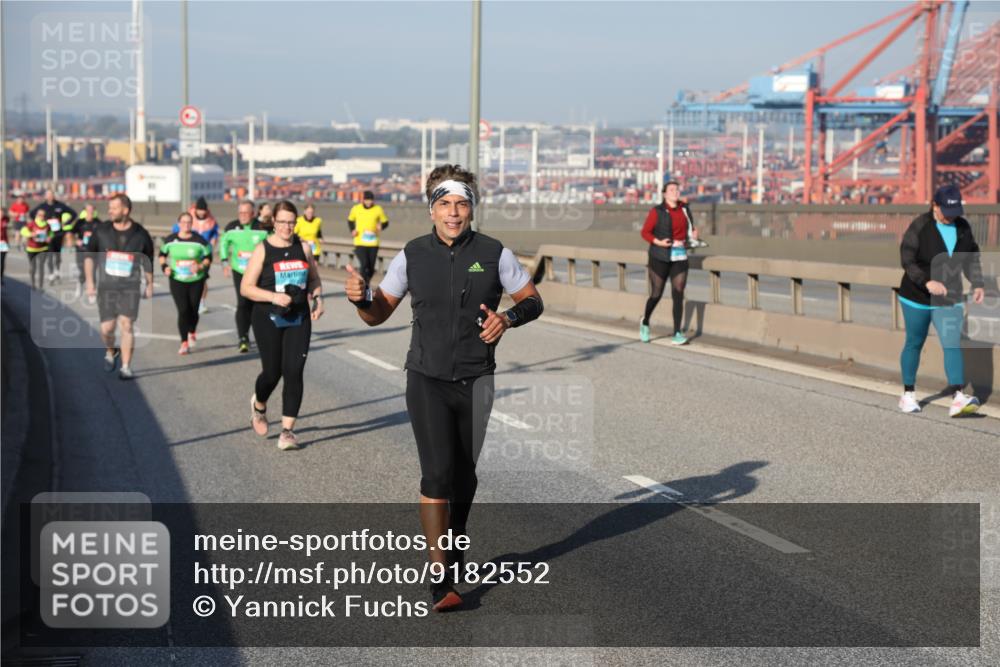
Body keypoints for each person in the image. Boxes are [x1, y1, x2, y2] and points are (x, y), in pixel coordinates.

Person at [344, 164, 543, 612]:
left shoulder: (495, 253)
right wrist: (360, 299)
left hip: (476, 380)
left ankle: (455, 541)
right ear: (431, 209)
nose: (453, 213)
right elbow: (378, 314)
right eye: (444, 204)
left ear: (472, 208)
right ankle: (441, 580)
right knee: (436, 474)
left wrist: (506, 319)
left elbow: (533, 301)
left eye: (461, 204)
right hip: (426, 379)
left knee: (464, 475)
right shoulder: (411, 255)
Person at [240, 200, 324, 450]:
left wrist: (318, 298)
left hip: (298, 317)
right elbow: (246, 288)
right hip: (268, 317)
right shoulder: (263, 250)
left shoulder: (304, 247)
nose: (287, 227)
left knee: (294, 370)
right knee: (272, 372)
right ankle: (259, 405)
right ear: (273, 223)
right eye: (282, 222)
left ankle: (287, 431)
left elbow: (314, 278)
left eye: (291, 222)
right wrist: (273, 297)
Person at [897, 184, 984, 417]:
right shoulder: (920, 226)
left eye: (955, 211)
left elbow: (971, 258)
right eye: (946, 210)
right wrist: (926, 282)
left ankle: (958, 396)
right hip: (917, 296)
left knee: (952, 342)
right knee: (915, 342)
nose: (951, 216)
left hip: (949, 296)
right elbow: (907, 260)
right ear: (934, 206)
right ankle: (908, 395)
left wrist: (977, 282)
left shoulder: (963, 227)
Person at [84, 194, 155, 380]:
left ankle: (125, 367)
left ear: (125, 210)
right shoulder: (101, 231)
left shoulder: (141, 234)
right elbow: (89, 256)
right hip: (106, 288)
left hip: (130, 287)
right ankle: (110, 350)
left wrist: (149, 283)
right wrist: (90, 282)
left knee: (127, 325)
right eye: (110, 207)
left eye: (114, 208)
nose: (110, 211)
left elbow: (148, 261)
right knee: (107, 329)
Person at [638, 180, 701, 345]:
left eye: (677, 189)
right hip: (660, 255)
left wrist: (693, 235)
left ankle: (677, 333)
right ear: (665, 194)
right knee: (656, 294)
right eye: (671, 190)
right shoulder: (657, 211)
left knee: (678, 293)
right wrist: (658, 242)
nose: (675, 192)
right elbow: (645, 232)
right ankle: (645, 321)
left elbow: (689, 229)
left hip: (680, 255)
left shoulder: (685, 209)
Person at [220, 200, 270, 352]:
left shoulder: (262, 227)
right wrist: (224, 262)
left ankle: (261, 337)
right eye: (240, 213)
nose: (242, 216)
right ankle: (243, 337)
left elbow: (275, 243)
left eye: (246, 213)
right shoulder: (231, 227)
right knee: (243, 304)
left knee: (257, 305)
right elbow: (223, 243)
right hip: (239, 270)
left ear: (253, 213)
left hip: (259, 272)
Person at [160, 212, 213, 355]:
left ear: (192, 224)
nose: (186, 225)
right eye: (183, 222)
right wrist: (165, 267)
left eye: (189, 222)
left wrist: (201, 266)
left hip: (196, 280)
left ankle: (192, 330)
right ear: (178, 224)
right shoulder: (170, 240)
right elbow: (162, 255)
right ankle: (184, 342)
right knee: (183, 310)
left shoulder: (199, 240)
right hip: (177, 280)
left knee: (194, 310)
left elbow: (208, 257)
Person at [30, 190, 76, 285]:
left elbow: (74, 214)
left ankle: (57, 271)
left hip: (58, 233)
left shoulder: (60, 205)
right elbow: (32, 214)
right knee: (50, 253)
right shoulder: (42, 206)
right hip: (48, 233)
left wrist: (65, 223)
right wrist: (39, 224)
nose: (50, 197)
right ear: (46, 196)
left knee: (57, 253)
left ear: (54, 196)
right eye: (48, 195)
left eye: (52, 195)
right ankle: (51, 273)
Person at [347, 190, 388, 283]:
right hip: (360, 241)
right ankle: (364, 285)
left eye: (370, 200)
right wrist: (352, 230)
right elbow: (350, 220)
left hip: (373, 242)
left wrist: (381, 226)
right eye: (367, 200)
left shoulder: (378, 209)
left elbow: (385, 222)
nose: (368, 202)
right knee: (364, 263)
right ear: (363, 200)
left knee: (371, 267)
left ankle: (366, 282)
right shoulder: (356, 208)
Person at [72, 204, 102, 299]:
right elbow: (71, 235)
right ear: (84, 211)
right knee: (82, 271)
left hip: (93, 251)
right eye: (88, 210)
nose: (90, 212)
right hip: (81, 250)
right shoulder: (79, 222)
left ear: (94, 211)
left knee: (93, 272)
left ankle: (91, 292)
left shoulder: (99, 223)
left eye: (91, 210)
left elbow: (103, 236)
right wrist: (76, 241)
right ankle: (80, 284)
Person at [20, 210, 51, 290]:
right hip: (32, 248)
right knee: (33, 267)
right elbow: (23, 231)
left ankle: (40, 286)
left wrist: (49, 238)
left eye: (43, 215)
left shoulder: (47, 225)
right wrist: (31, 234)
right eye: (40, 215)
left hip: (43, 248)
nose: (42, 217)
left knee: (41, 267)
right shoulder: (32, 224)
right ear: (37, 215)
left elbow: (51, 233)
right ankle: (33, 284)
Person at [1, 207, 9, 284]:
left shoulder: (6, 219)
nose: (1, 214)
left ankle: (1, 277)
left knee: (2, 261)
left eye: (2, 213)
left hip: (3, 243)